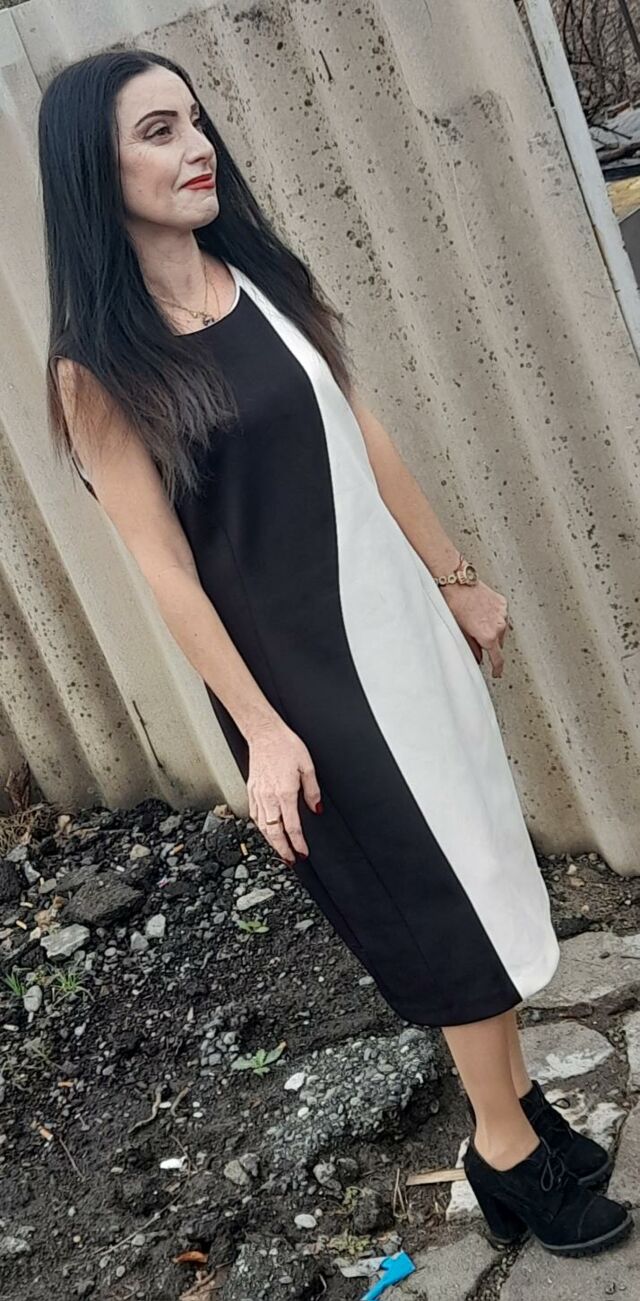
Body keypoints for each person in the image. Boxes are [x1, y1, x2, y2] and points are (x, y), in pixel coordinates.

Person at [37, 48, 632, 1258]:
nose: (196, 147)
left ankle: (517, 1110)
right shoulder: (98, 369)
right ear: (92, 170)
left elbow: (360, 430)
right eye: (157, 132)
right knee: (434, 903)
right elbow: (165, 568)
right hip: (302, 683)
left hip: (393, 627)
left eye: (194, 121)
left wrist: (454, 577)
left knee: (477, 862)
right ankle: (504, 1152)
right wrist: (261, 729)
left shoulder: (253, 274)